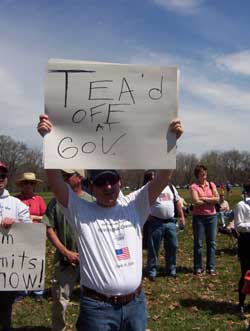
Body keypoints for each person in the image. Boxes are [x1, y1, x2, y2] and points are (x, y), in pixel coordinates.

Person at [37, 114, 183, 331]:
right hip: (97, 309)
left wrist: (172, 140)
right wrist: (48, 140)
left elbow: (163, 177)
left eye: (112, 180)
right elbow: (56, 181)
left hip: (136, 304)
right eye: (101, 182)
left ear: (119, 181)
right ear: (91, 187)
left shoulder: (134, 204)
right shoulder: (80, 210)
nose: (108, 187)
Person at [42, 169, 93, 331]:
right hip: (64, 261)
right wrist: (65, 252)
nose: (63, 179)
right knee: (60, 301)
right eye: (62, 176)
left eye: (67, 176)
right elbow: (48, 228)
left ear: (79, 177)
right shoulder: (56, 202)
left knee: (92, 302)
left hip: (90, 262)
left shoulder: (92, 202)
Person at [0, 162, 31, 331]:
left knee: (6, 305)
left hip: (9, 265)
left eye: (3, 175)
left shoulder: (17, 204)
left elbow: (31, 229)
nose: (0, 179)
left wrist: (16, 222)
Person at [145, 170, 185, 280]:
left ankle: (171, 270)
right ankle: (152, 271)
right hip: (156, 222)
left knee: (173, 246)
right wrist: (147, 215)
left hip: (170, 222)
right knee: (154, 248)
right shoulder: (150, 188)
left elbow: (177, 202)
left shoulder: (171, 187)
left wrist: (181, 216)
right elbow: (142, 203)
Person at [15, 172, 47, 302]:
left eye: (31, 183)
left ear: (34, 185)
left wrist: (34, 217)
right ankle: (22, 290)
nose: (28, 185)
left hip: (36, 233)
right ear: (21, 185)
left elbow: (46, 218)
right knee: (21, 261)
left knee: (37, 262)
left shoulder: (39, 199)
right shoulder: (16, 200)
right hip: (20, 234)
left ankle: (38, 291)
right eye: (25, 183)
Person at [189, 165, 219, 276]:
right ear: (197, 174)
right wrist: (210, 200)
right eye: (201, 172)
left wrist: (204, 199)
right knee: (199, 243)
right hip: (199, 218)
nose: (204, 174)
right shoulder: (193, 187)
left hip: (212, 216)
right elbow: (196, 202)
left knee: (212, 243)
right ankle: (198, 267)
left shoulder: (211, 185)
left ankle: (211, 267)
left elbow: (217, 199)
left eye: (205, 172)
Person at [234, 182, 250, 319]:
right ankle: (241, 304)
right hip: (246, 242)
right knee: (246, 273)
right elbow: (238, 226)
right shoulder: (241, 205)